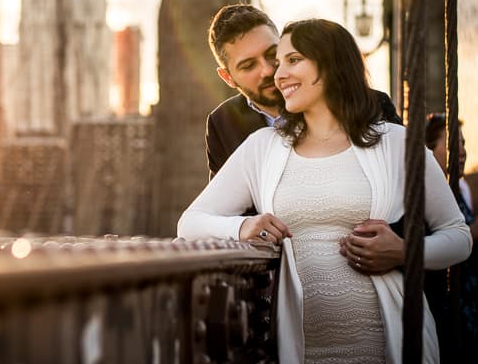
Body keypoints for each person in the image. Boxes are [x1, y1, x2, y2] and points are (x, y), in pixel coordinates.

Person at [178, 18, 472, 363]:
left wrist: (405, 251)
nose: (277, 73)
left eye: (291, 59)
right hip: (299, 347)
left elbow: (458, 236)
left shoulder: (396, 143)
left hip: (387, 342)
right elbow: (190, 222)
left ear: (330, 61)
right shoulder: (260, 148)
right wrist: (241, 226)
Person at [205, 3, 402, 179]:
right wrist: (244, 222)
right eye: (248, 66)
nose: (267, 70)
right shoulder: (222, 123)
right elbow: (215, 213)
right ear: (227, 77)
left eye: (272, 54)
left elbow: (411, 191)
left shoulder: (372, 104)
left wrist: (387, 221)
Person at [424, 112, 478, 363]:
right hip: (446, 302)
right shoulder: (429, 196)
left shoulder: (459, 189)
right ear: (429, 149)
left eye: (464, 143)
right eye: (454, 142)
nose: (463, 150)